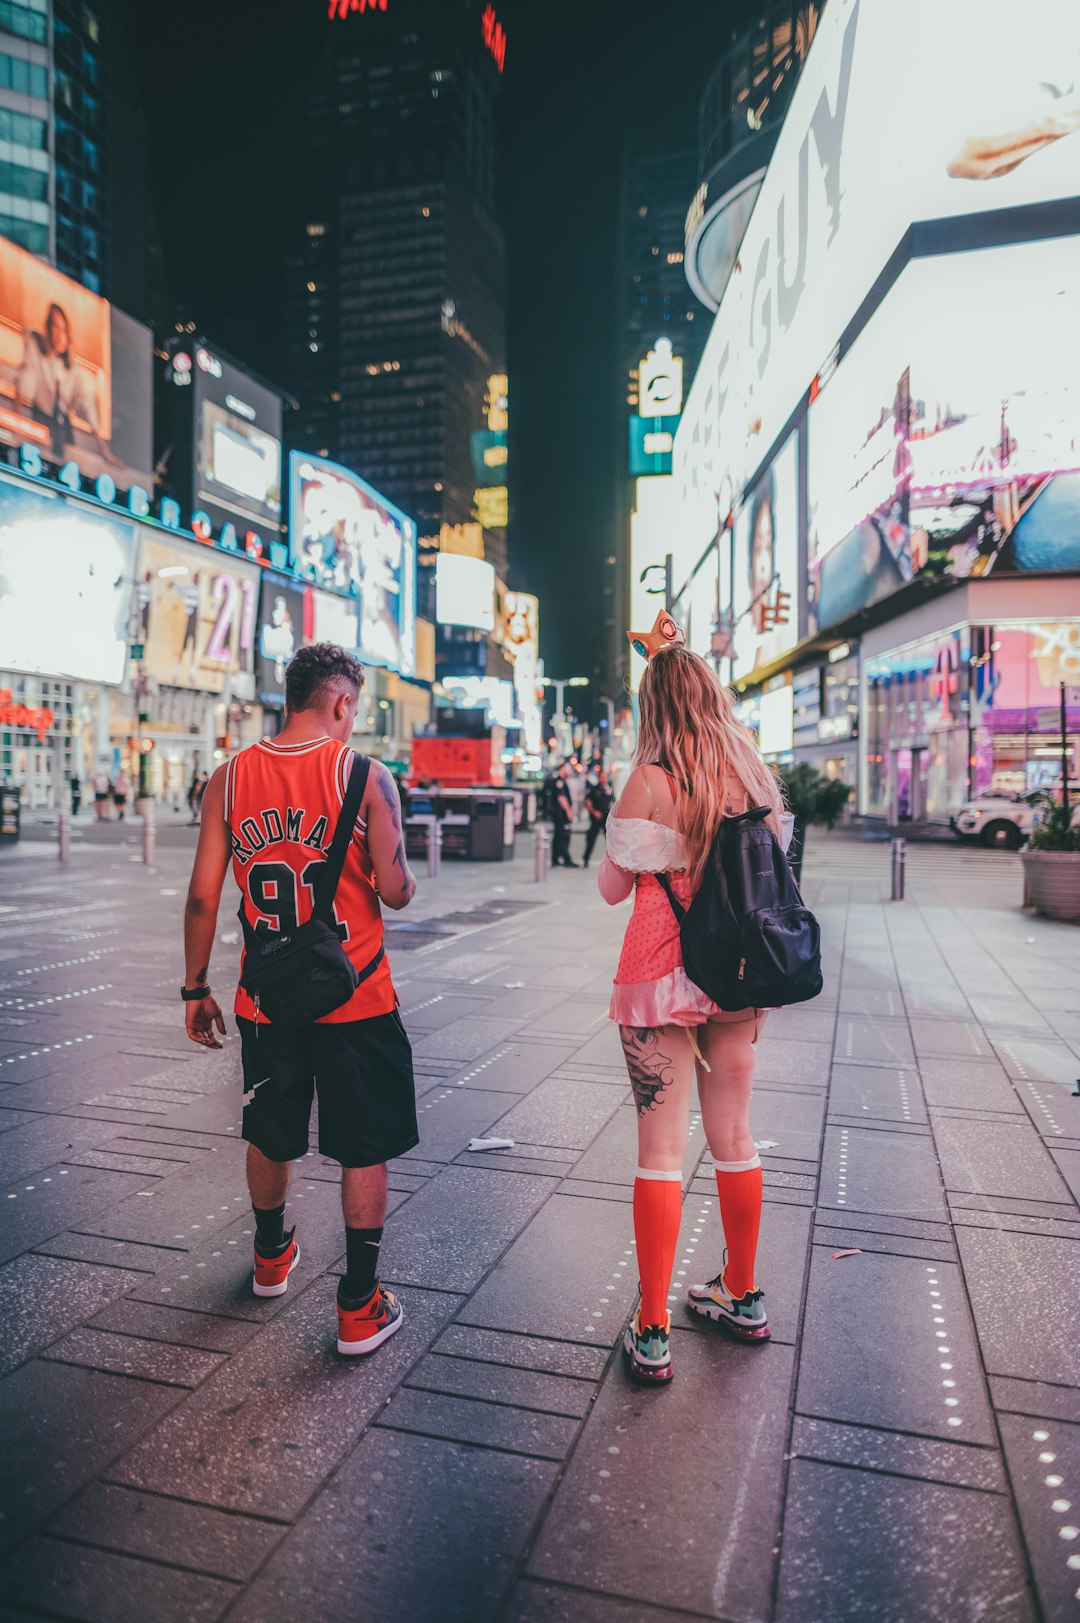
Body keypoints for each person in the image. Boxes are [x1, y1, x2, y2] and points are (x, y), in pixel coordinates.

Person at [181, 643, 419, 1358]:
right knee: (362, 1143)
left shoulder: (228, 778)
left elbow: (202, 893)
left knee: (270, 1126)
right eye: (357, 707)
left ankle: (269, 1255)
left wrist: (196, 985)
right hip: (358, 996)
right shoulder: (367, 777)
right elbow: (398, 888)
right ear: (341, 701)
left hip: (266, 998)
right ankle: (358, 1304)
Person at [598, 614, 789, 1384]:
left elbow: (614, 887)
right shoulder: (753, 773)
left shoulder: (649, 778)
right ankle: (740, 1292)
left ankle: (652, 1328)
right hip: (741, 974)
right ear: (709, 694)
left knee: (660, 1150)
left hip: (658, 975)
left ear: (655, 705)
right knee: (736, 1133)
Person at [16, 302, 121, 469]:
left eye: (63, 329)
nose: (59, 334)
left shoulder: (72, 366)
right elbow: (26, 380)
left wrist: (104, 450)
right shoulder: (36, 345)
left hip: (65, 430)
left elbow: (85, 404)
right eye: (55, 327)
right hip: (41, 421)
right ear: (48, 328)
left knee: (65, 470)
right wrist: (15, 423)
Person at [583, 768, 613, 867]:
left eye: (605, 777)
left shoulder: (608, 789)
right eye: (602, 776)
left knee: (610, 841)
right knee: (591, 840)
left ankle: (612, 861)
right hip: (596, 818)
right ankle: (586, 859)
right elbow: (587, 802)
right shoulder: (593, 789)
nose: (604, 778)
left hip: (606, 818)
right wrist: (594, 812)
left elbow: (613, 802)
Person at [550, 761, 578, 868]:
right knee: (562, 836)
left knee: (558, 836)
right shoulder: (559, 782)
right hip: (560, 814)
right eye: (568, 768)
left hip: (560, 813)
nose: (569, 770)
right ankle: (566, 859)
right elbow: (561, 798)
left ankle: (556, 859)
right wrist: (568, 811)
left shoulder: (562, 781)